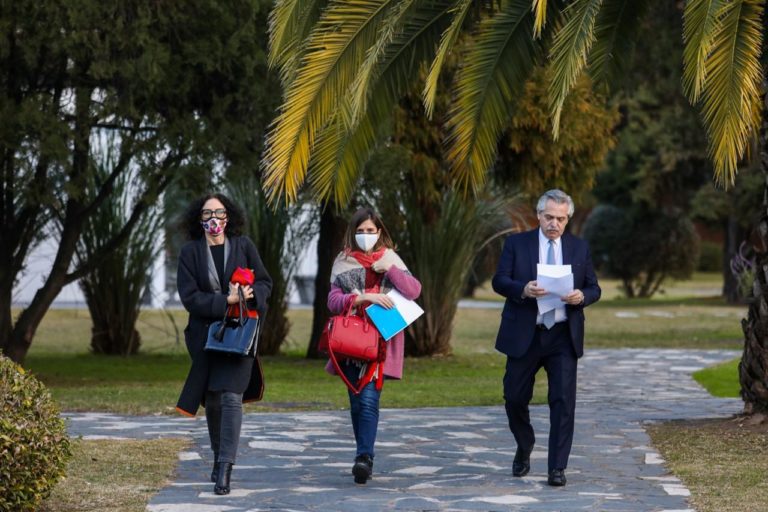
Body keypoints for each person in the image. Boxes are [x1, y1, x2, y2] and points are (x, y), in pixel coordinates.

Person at [492, 189, 600, 487]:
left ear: (568, 219)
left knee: (563, 403)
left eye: (561, 219)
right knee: (514, 398)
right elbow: (499, 281)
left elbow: (594, 288)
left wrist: (582, 296)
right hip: (525, 334)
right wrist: (523, 289)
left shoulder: (579, 248)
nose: (554, 224)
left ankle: (557, 468)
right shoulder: (517, 244)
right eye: (549, 217)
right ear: (539, 215)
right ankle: (525, 443)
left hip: (563, 335)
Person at [175, 193, 272, 495]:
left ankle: (225, 468)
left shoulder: (243, 246)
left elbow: (265, 283)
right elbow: (190, 298)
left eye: (218, 212)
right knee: (214, 399)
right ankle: (218, 457)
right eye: (207, 213)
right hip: (205, 338)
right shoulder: (190, 252)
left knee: (231, 397)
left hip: (240, 333)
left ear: (228, 217)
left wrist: (248, 295)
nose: (213, 219)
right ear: (199, 219)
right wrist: (225, 300)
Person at [326, 207, 421, 484]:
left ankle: (364, 458)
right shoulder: (343, 261)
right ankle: (363, 455)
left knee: (368, 399)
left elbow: (413, 290)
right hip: (350, 342)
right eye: (360, 231)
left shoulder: (390, 258)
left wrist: (389, 269)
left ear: (379, 232)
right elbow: (332, 301)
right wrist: (363, 297)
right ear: (353, 232)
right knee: (356, 401)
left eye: (370, 230)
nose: (365, 235)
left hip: (380, 342)